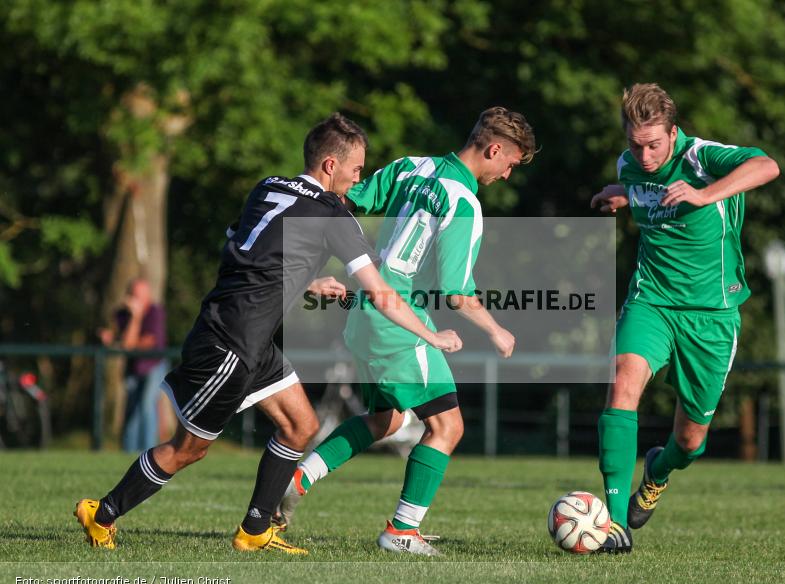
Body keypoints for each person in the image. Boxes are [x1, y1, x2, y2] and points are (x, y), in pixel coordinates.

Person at [74, 113, 462, 554]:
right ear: (330, 166)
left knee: (301, 425)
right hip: (231, 341)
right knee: (187, 449)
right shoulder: (332, 213)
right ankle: (101, 513)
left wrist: (306, 282)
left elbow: (244, 246)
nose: (360, 179)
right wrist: (432, 338)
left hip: (251, 337)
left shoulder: (270, 186)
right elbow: (381, 293)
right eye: (356, 169)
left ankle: (255, 530)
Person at [276, 107, 537, 556]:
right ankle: (402, 530)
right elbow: (456, 294)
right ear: (494, 150)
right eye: (510, 164)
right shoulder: (464, 203)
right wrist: (498, 330)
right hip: (398, 320)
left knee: (386, 419)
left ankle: (298, 478)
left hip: (364, 311)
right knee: (447, 426)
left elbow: (342, 201)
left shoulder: (409, 166)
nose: (508, 175)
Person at [590, 83, 780, 553]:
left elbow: (767, 166)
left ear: (674, 133)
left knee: (691, 441)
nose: (645, 153)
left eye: (654, 143)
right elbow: (644, 186)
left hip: (712, 315)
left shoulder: (701, 157)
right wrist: (621, 193)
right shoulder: (630, 163)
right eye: (636, 144)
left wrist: (704, 194)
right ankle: (615, 524)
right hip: (651, 300)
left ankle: (657, 473)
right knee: (622, 384)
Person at [100, 278, 168, 452]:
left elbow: (133, 344)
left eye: (140, 295)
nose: (136, 299)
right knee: (131, 409)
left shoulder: (155, 312)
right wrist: (116, 338)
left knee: (146, 406)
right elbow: (123, 341)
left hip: (154, 365)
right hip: (133, 367)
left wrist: (136, 318)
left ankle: (148, 453)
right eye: (134, 295)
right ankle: (128, 451)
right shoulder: (122, 314)